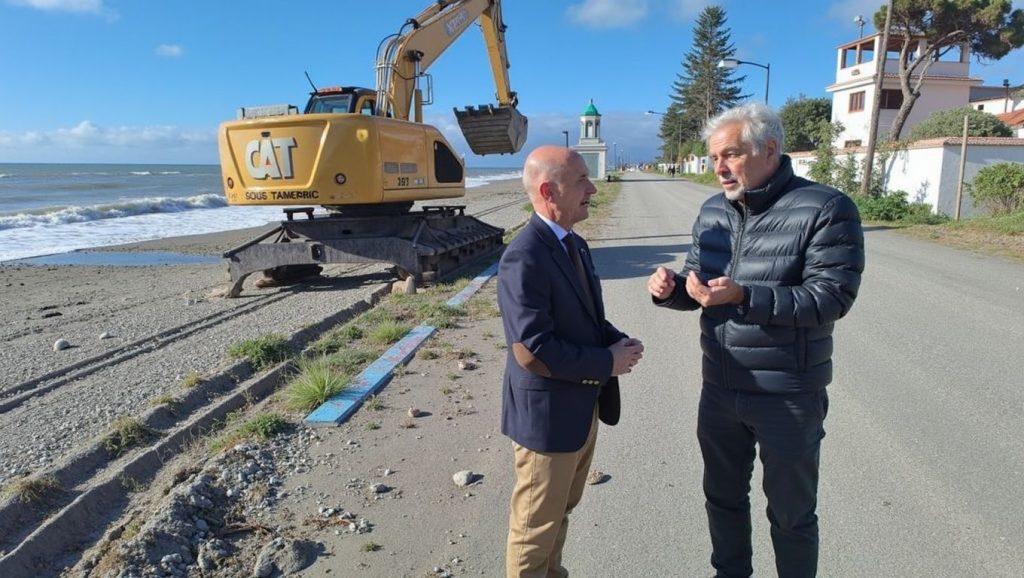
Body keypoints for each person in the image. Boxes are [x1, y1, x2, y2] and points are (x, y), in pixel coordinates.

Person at [646, 102, 864, 578]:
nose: (720, 168)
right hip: (721, 388)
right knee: (722, 500)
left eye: (731, 154)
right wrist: (671, 290)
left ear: (770, 149)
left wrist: (746, 296)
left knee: (791, 515)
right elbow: (699, 286)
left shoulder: (827, 208)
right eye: (713, 158)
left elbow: (832, 298)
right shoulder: (712, 211)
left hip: (787, 393)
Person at [499, 145, 644, 578]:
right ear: (549, 191)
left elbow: (582, 316)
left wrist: (615, 340)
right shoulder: (523, 256)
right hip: (547, 419)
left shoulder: (572, 244)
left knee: (560, 511)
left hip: (579, 410)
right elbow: (532, 349)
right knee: (534, 526)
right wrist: (606, 362)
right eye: (582, 180)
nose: (593, 188)